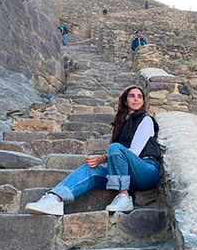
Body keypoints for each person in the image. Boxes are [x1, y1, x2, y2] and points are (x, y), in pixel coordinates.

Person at [25, 86, 160, 215]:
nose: (136, 99)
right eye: (132, 96)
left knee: (115, 148)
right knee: (90, 169)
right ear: (125, 100)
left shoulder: (146, 120)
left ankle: (123, 196)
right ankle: (55, 198)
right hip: (124, 175)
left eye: (140, 97)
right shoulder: (120, 124)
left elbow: (134, 151)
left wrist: (102, 158)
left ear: (143, 101)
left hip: (145, 171)